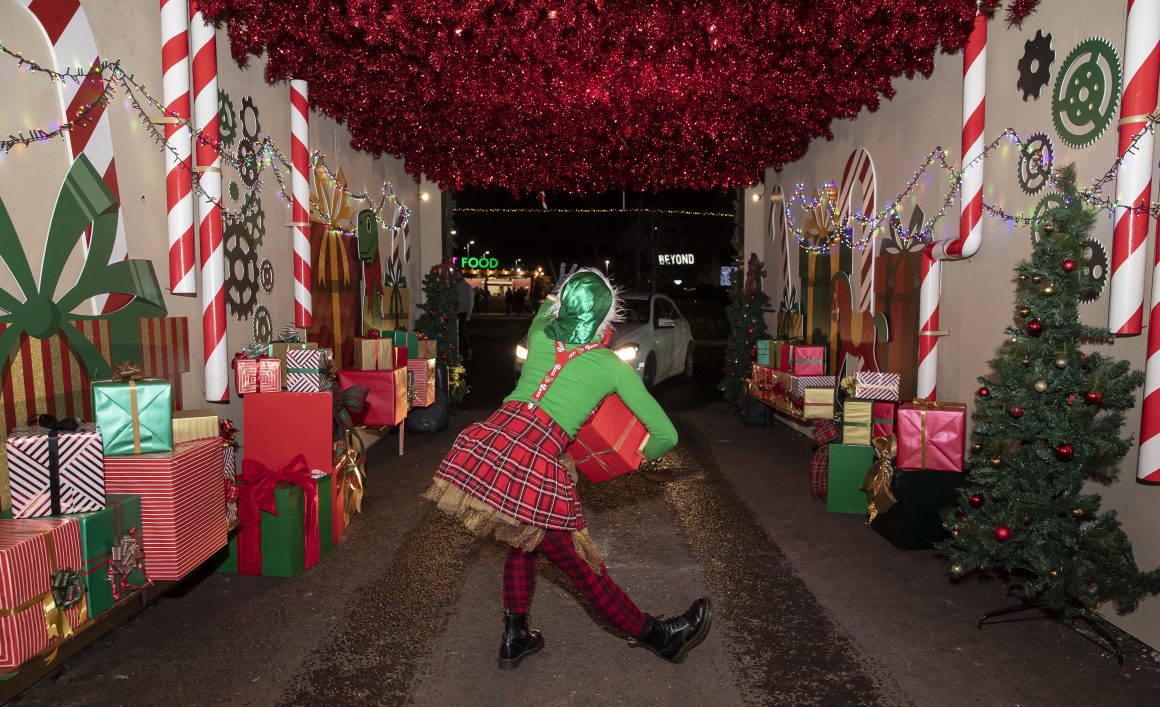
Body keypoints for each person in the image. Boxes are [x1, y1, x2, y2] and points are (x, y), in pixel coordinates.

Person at [425, 268, 711, 670]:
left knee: (524, 537)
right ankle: (661, 638)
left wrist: (563, 292)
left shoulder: (541, 334)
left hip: (493, 444)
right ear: (608, 317)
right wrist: (634, 457)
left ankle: (515, 635)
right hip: (534, 460)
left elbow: (546, 309)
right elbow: (665, 435)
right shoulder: (610, 365)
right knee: (584, 566)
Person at [457, 275, 475, 362]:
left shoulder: (467, 287)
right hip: (457, 312)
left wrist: (469, 314)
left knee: (462, 332)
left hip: (464, 312)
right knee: (459, 333)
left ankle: (468, 350)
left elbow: (471, 301)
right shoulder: (455, 286)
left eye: (458, 274)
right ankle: (461, 352)